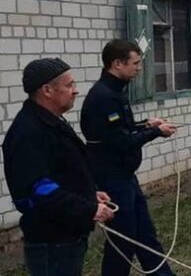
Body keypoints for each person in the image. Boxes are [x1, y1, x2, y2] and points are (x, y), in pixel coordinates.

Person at [2, 58, 115, 275]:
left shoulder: (52, 121)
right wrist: (89, 209)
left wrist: (89, 194)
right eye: (69, 85)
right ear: (47, 90)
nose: (76, 91)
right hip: (52, 241)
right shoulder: (29, 132)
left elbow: (63, 173)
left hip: (68, 234)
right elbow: (41, 191)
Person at [81, 40, 177, 276]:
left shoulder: (115, 92)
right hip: (112, 178)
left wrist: (145, 124)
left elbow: (121, 129)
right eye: (135, 63)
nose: (139, 68)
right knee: (124, 240)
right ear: (117, 64)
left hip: (125, 176)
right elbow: (120, 141)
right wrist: (155, 132)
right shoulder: (103, 97)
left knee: (145, 233)